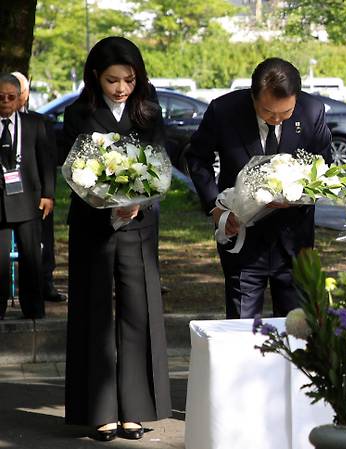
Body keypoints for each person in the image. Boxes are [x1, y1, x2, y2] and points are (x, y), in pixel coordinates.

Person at [62, 36, 171, 441]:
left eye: (128, 79)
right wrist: (103, 199)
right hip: (93, 224)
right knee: (93, 311)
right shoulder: (78, 113)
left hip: (139, 224)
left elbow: (159, 160)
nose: (121, 88)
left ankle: (135, 410)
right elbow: (73, 167)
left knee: (137, 310)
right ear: (95, 77)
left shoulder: (149, 109)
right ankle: (99, 410)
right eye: (112, 80)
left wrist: (137, 202)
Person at [186, 57, 332, 319]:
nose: (276, 119)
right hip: (242, 232)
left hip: (293, 237)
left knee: (296, 328)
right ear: (253, 97)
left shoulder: (312, 111)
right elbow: (197, 158)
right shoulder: (224, 110)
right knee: (242, 326)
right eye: (267, 112)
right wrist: (215, 208)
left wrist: (301, 196)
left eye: (285, 113)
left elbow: (324, 166)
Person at [0, 74, 54, 320]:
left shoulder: (34, 124)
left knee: (31, 257)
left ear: (20, 98)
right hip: (0, 202)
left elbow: (46, 162)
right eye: (0, 98)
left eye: (11, 97)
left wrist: (48, 194)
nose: (6, 102)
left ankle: (33, 309)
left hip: (28, 199)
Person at [11, 71, 65, 303]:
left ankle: (45, 283)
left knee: (40, 242)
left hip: (34, 193)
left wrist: (48, 193)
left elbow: (48, 161)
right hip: (7, 193)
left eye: (19, 91)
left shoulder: (39, 122)